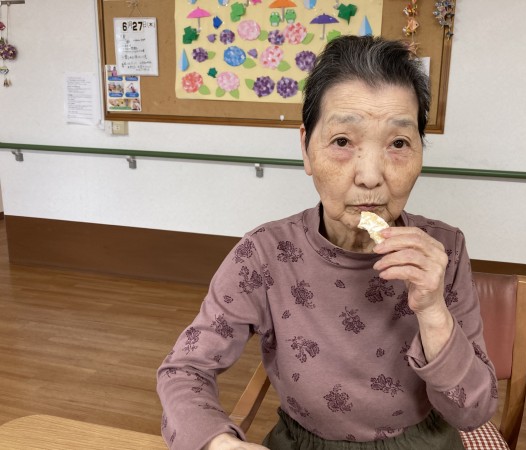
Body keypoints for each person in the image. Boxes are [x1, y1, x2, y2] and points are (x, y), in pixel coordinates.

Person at [157, 36, 497, 450]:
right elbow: (184, 370)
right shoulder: (264, 254)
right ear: (306, 148)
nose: (370, 177)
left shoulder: (445, 249)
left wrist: (432, 310)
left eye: (398, 143)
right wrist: (218, 443)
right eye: (342, 142)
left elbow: (472, 413)